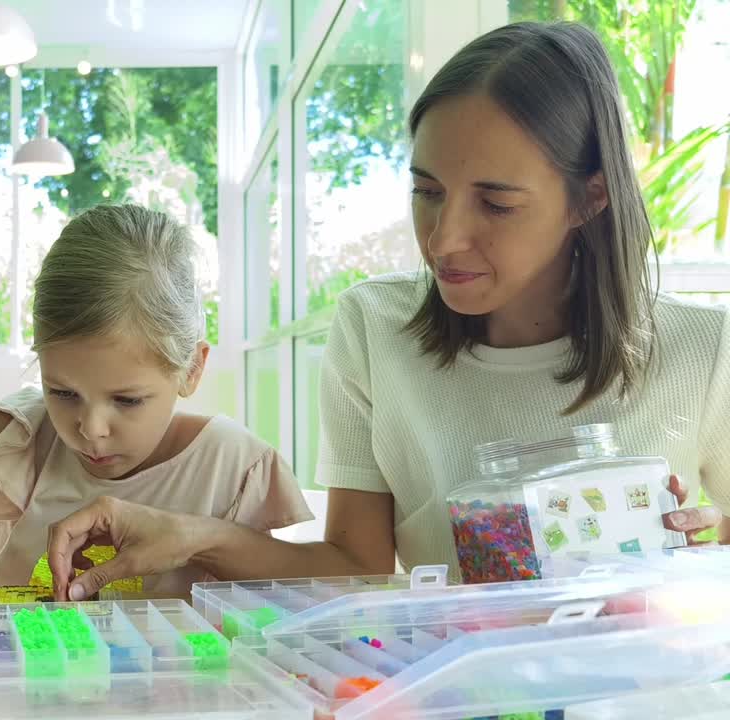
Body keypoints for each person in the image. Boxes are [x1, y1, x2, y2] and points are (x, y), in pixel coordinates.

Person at [44, 21, 727, 602]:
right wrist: (188, 535)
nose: (443, 238)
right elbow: (355, 565)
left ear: (590, 198)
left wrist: (711, 547)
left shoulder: (706, 351)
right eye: (427, 190)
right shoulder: (377, 328)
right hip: (450, 690)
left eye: (495, 203)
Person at [0, 204, 313, 623]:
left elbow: (329, 587)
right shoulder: (18, 434)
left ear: (191, 370)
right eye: (62, 392)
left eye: (127, 401)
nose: (90, 430)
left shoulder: (234, 466)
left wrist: (200, 538)